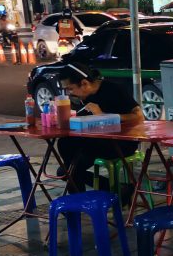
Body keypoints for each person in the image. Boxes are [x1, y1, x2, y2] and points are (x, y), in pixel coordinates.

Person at [56, 63, 144, 193]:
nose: (69, 93)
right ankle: (118, 191)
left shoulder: (114, 89)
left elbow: (139, 117)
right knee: (65, 147)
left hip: (122, 142)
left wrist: (104, 116)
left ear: (84, 83)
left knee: (70, 170)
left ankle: (81, 204)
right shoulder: (84, 97)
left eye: (70, 89)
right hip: (95, 140)